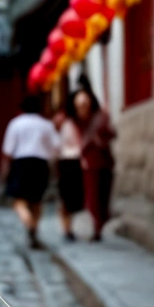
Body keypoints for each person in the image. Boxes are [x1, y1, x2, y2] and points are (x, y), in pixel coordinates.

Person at [1, 95, 60, 248]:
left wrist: (5, 169)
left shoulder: (16, 123)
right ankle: (34, 227)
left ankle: (29, 223)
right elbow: (55, 146)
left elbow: (8, 150)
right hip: (40, 164)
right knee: (36, 201)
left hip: (21, 164)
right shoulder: (46, 124)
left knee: (19, 202)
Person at [73, 76, 116, 241]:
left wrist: (100, 140)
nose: (82, 107)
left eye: (84, 104)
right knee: (93, 198)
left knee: (101, 196)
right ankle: (97, 227)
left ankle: (99, 225)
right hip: (90, 163)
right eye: (80, 106)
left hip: (102, 161)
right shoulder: (80, 121)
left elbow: (111, 133)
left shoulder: (100, 117)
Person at [56, 94, 84, 240]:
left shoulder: (79, 123)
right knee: (66, 198)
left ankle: (69, 228)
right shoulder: (66, 124)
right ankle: (67, 228)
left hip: (75, 161)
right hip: (68, 162)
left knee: (72, 198)